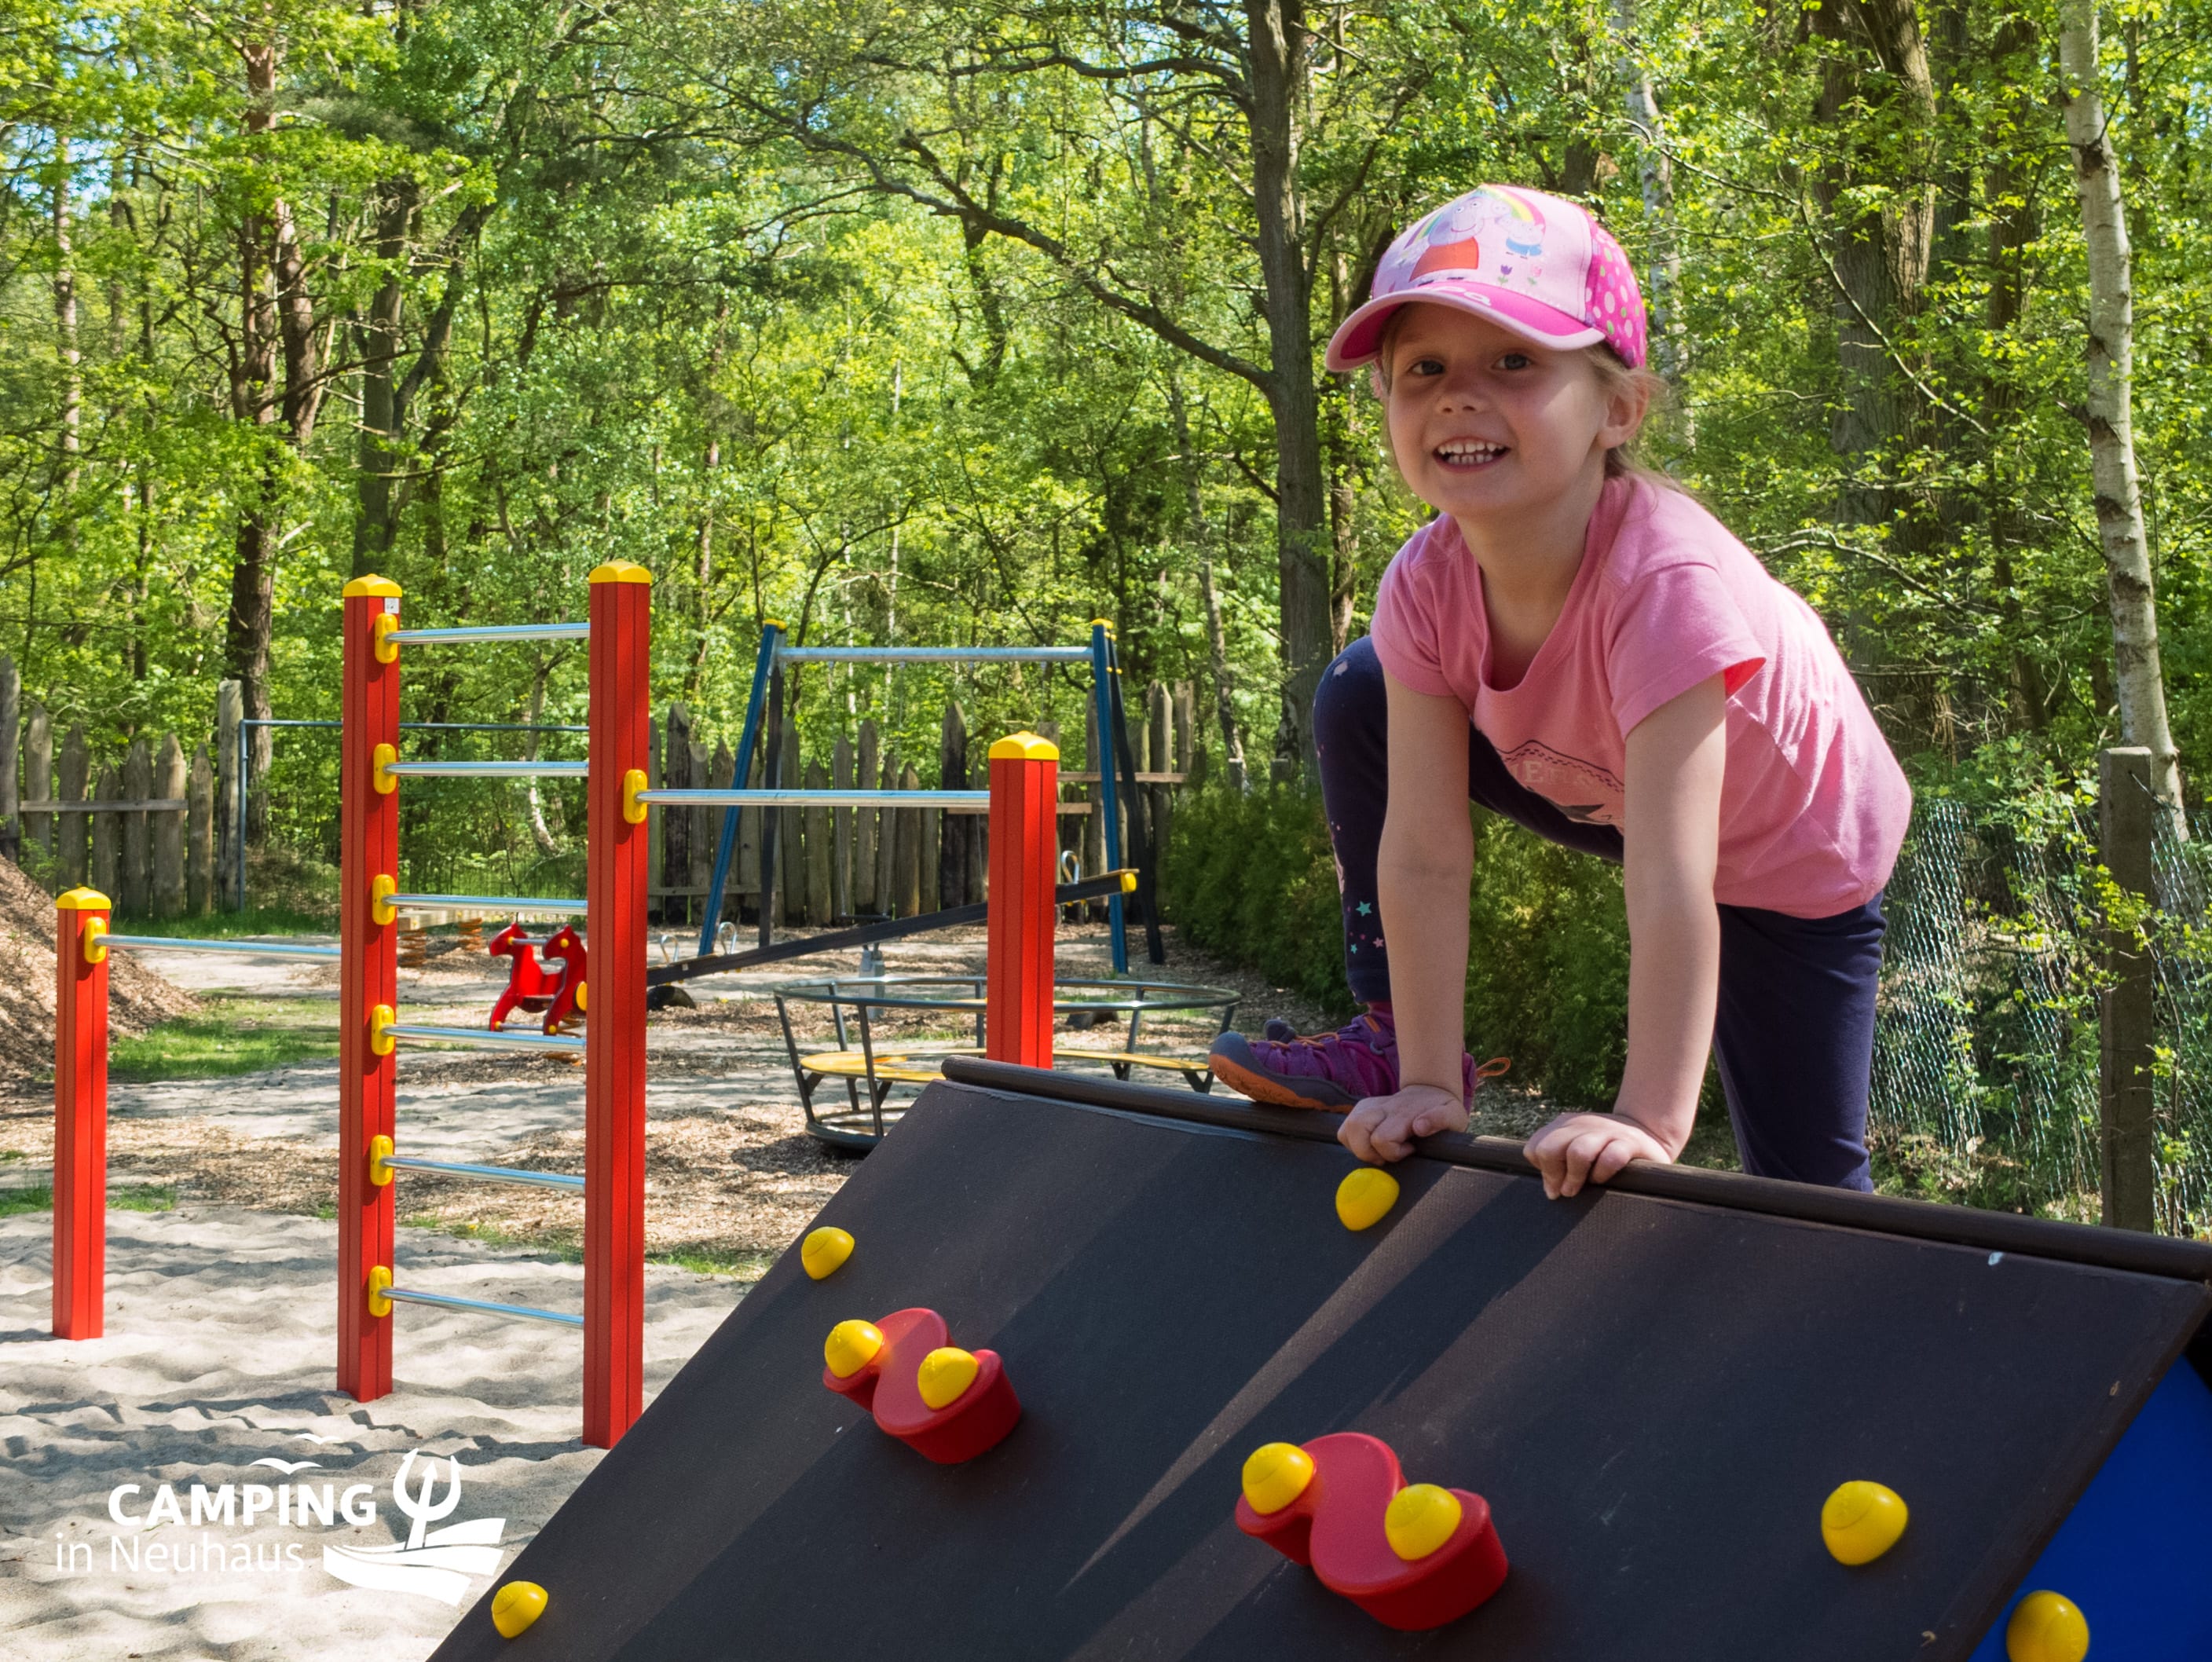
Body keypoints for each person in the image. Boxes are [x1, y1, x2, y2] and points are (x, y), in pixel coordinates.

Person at [1207, 184, 1910, 1199]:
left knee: (1806, 1197)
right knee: (1360, 689)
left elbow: (1673, 879)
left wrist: (1646, 1119)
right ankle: (1400, 1039)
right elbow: (1423, 851)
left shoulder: (1665, 585)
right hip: (1611, 783)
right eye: (1424, 371)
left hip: (1794, 850)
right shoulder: (1424, 583)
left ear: (1617, 409)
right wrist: (1424, 1082)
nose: (1458, 395)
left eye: (1514, 362)